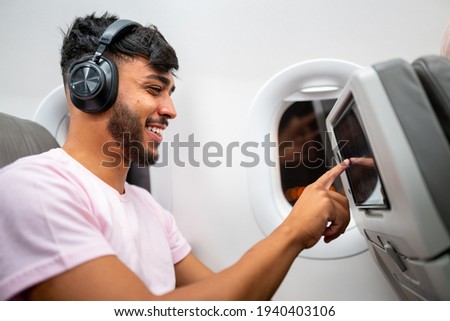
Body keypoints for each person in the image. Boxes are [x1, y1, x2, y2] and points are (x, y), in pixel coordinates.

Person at [0, 12, 350, 300]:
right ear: (90, 87)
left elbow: (222, 301)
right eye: (154, 89)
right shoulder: (34, 189)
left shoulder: (148, 208)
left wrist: (302, 226)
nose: (170, 110)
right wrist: (292, 232)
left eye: (170, 93)